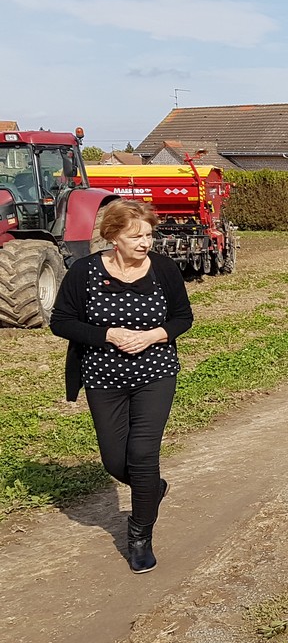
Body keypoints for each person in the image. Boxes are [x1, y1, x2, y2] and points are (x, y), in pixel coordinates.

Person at [49, 198, 194, 574]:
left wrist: (153, 336)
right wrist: (108, 335)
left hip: (155, 375)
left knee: (142, 456)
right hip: (103, 379)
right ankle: (151, 488)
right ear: (113, 237)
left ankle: (140, 537)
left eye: (149, 235)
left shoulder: (163, 269)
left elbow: (183, 317)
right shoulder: (85, 272)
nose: (145, 243)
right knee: (115, 461)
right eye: (136, 236)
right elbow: (61, 321)